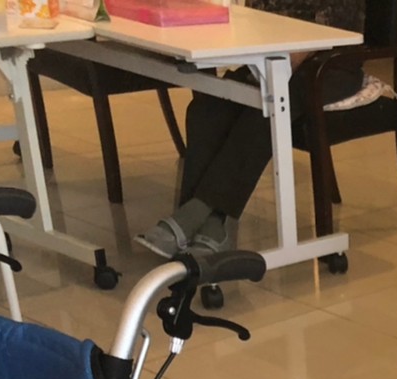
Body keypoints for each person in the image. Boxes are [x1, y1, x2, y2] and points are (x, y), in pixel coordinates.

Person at [134, 0, 366, 257]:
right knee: (209, 107)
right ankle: (209, 224)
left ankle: (196, 214)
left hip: (329, 62)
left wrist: (295, 53)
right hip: (270, 53)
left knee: (265, 109)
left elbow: (342, 21)